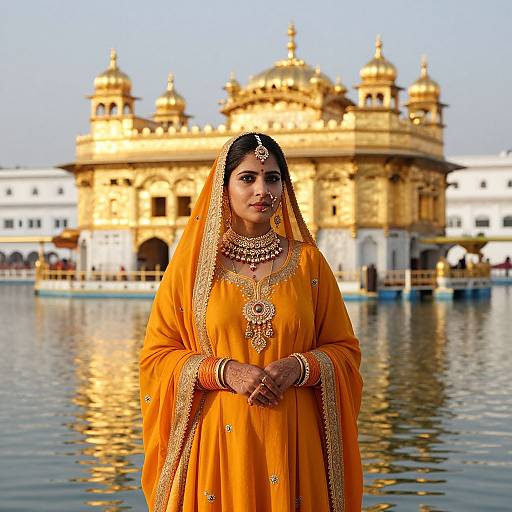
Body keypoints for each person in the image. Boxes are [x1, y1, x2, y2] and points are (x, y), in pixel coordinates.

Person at [140, 133, 363, 512]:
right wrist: (225, 372)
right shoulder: (194, 271)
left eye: (273, 178)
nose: (262, 189)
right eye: (248, 178)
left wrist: (300, 365)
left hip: (293, 439)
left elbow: (345, 351)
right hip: (219, 442)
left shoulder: (309, 263)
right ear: (222, 188)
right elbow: (156, 358)